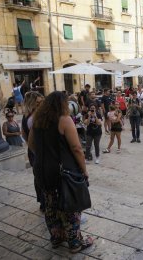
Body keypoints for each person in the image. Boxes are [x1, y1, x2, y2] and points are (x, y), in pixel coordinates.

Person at [28, 91, 93, 253]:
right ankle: (75, 243)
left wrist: (45, 157)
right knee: (69, 207)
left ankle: (56, 237)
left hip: (42, 169)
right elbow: (77, 148)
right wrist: (84, 170)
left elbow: (30, 144)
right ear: (62, 104)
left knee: (50, 204)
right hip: (62, 172)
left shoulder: (38, 119)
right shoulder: (64, 120)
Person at [22, 91, 44, 211]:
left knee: (37, 177)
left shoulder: (25, 117)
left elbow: (24, 135)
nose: (41, 104)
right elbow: (27, 136)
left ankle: (42, 201)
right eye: (38, 102)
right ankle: (45, 202)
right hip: (39, 152)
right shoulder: (36, 116)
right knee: (43, 177)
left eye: (41, 101)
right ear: (32, 103)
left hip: (32, 152)